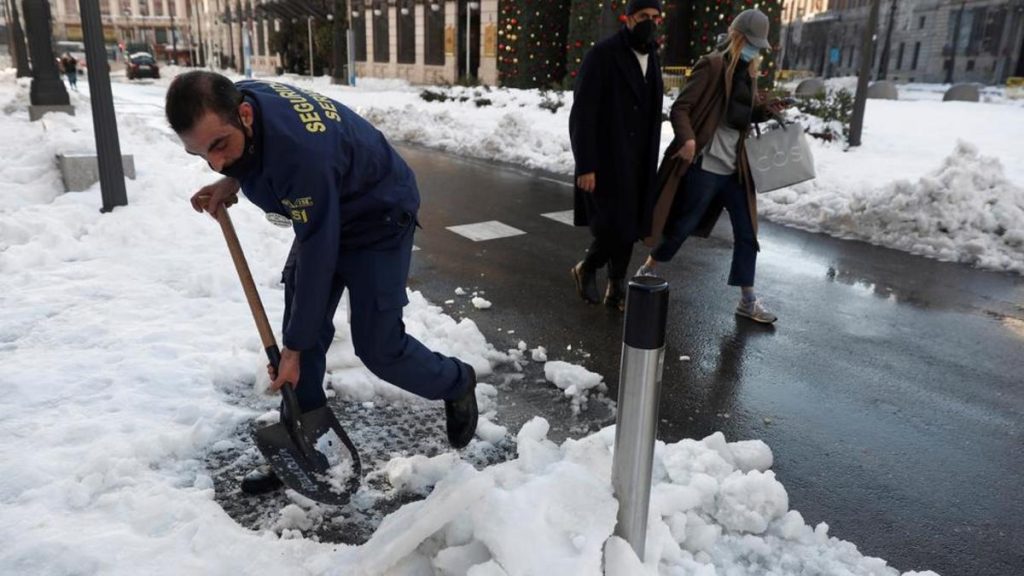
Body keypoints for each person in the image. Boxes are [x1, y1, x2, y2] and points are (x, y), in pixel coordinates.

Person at [164, 71, 479, 494]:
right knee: (303, 333)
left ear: (244, 115)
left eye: (219, 146)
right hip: (326, 205)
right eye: (200, 154)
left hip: (377, 214)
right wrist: (231, 178)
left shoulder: (301, 154)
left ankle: (457, 381)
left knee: (378, 347)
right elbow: (267, 168)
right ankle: (304, 444)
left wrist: (291, 348)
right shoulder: (241, 102)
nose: (215, 161)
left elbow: (318, 250)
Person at [636, 9, 788, 324]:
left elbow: (739, 116)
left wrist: (765, 110)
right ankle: (649, 267)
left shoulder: (748, 71)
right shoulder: (712, 65)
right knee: (682, 226)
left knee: (748, 234)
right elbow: (681, 108)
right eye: (752, 43)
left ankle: (747, 300)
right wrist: (688, 141)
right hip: (706, 165)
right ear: (738, 37)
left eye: (758, 46)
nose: (755, 50)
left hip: (735, 169)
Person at [568, 0, 664, 311]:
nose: (649, 22)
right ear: (629, 18)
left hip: (639, 161)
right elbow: (583, 112)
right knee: (616, 226)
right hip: (608, 159)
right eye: (643, 17)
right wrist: (586, 165)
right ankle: (587, 267)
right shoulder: (603, 54)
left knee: (632, 227)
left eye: (655, 17)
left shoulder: (654, 56)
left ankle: (616, 288)